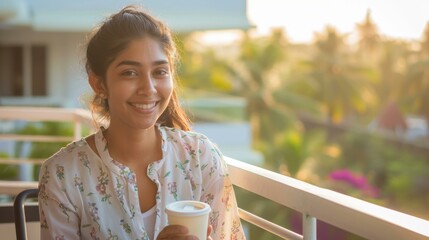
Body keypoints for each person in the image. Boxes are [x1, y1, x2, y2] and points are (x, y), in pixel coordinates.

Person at [38, 5, 246, 240]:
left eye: (159, 72)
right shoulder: (63, 175)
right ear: (99, 84)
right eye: (129, 73)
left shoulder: (201, 158)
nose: (149, 89)